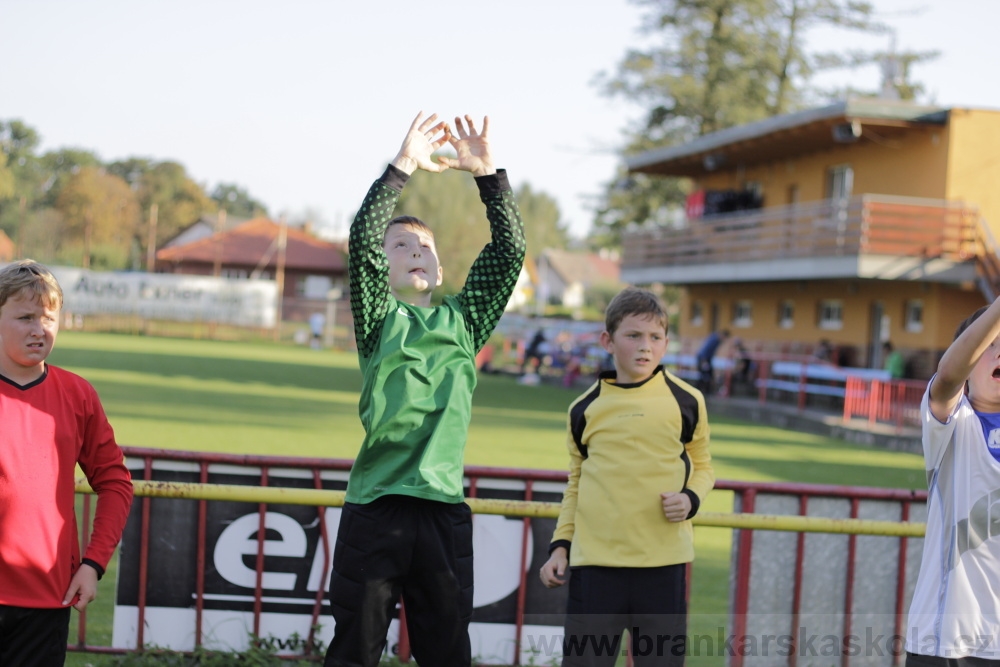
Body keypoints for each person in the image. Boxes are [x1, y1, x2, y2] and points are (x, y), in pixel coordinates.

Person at [324, 112, 525, 667]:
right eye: (401, 245)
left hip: (442, 510)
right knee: (354, 651)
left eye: (425, 246)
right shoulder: (377, 318)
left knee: (446, 653)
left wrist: (489, 176)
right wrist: (403, 166)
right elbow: (363, 238)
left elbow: (508, 255)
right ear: (381, 269)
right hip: (377, 507)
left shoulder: (465, 321)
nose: (415, 250)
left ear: (438, 271)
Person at [539, 286, 715, 666]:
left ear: (666, 343)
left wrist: (691, 499)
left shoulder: (687, 401)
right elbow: (576, 483)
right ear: (608, 340)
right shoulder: (583, 409)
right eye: (633, 335)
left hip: (663, 567)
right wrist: (560, 546)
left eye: (655, 337)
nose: (644, 346)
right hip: (595, 569)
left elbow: (703, 466)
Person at [0, 260, 133, 666]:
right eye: (25, 317)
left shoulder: (77, 395)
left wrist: (93, 563)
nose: (39, 329)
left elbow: (115, 483)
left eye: (48, 318)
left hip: (46, 598)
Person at [904, 299, 1000, 665]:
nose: (998, 354)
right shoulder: (953, 423)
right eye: (989, 345)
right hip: (945, 642)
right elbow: (947, 376)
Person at [695, 328, 729, 393]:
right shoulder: (714, 340)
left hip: (707, 359)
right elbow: (705, 350)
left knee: (708, 375)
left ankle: (706, 391)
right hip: (703, 359)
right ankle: (698, 390)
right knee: (705, 374)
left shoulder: (716, 339)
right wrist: (704, 361)